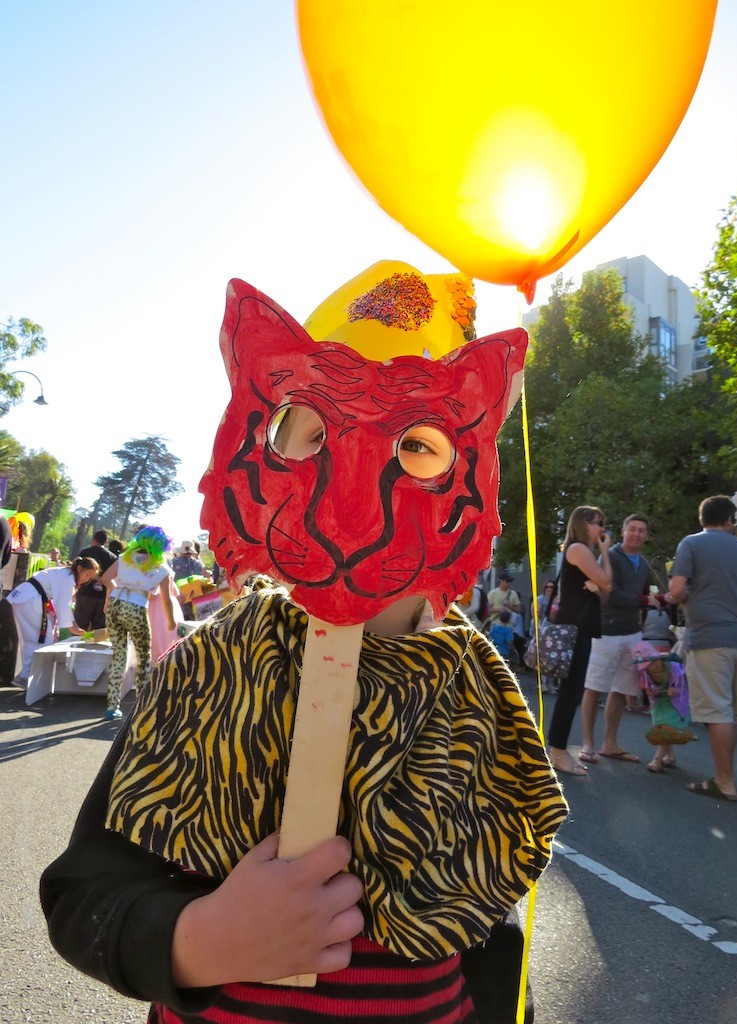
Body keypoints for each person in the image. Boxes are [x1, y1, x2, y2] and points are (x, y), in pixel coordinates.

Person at [40, 265, 567, 1023]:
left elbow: (488, 912)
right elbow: (85, 893)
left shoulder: (470, 692)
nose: (352, 501)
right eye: (315, 436)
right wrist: (207, 941)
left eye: (417, 448)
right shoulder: (213, 673)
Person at [667, 494, 737, 803]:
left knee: (719, 711)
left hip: (710, 637)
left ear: (703, 519)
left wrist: (687, 598)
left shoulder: (692, 544)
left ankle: (725, 782)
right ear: (729, 521)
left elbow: (674, 590)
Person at [579, 514, 656, 766]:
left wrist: (653, 601)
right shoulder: (609, 555)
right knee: (594, 686)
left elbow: (644, 596)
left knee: (622, 690)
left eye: (641, 531)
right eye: (632, 529)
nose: (636, 534)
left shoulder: (644, 563)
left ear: (646, 536)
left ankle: (609, 743)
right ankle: (588, 743)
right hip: (607, 631)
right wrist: (645, 601)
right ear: (623, 531)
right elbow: (608, 593)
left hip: (633, 633)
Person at [547, 506, 613, 776]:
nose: (602, 529)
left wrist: (602, 585)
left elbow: (607, 591)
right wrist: (606, 552)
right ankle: (558, 752)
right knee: (570, 693)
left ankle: (557, 750)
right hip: (574, 628)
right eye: (599, 523)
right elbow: (607, 581)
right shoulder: (578, 549)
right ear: (585, 524)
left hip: (580, 627)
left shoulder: (582, 552)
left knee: (572, 692)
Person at [99, 526, 177, 720]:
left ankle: (112, 706)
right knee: (143, 658)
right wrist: (171, 621)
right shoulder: (162, 567)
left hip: (116, 604)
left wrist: (115, 593)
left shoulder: (125, 557)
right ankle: (141, 707)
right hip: (136, 608)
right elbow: (166, 600)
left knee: (118, 655)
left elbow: (106, 578)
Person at [5, 557, 100, 685]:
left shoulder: (65, 573)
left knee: (32, 638)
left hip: (25, 597)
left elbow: (63, 606)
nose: (86, 579)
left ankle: (27, 674)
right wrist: (73, 628)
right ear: (79, 568)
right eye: (87, 574)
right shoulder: (67, 578)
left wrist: (75, 626)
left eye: (90, 578)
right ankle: (27, 675)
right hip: (30, 600)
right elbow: (63, 605)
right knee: (42, 638)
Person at [632, 640, 693, 773]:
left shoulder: (674, 667)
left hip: (676, 702)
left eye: (656, 660)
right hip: (660, 702)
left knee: (665, 728)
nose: (656, 665)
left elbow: (682, 685)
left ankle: (657, 759)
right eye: (650, 664)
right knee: (661, 728)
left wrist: (674, 689)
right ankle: (671, 757)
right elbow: (648, 687)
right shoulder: (645, 674)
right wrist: (650, 690)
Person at [76, 530, 118, 631]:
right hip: (103, 596)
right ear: (105, 541)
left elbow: (77, 569)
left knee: (80, 626)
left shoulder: (85, 552)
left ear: (93, 539)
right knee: (99, 629)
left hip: (85, 593)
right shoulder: (112, 557)